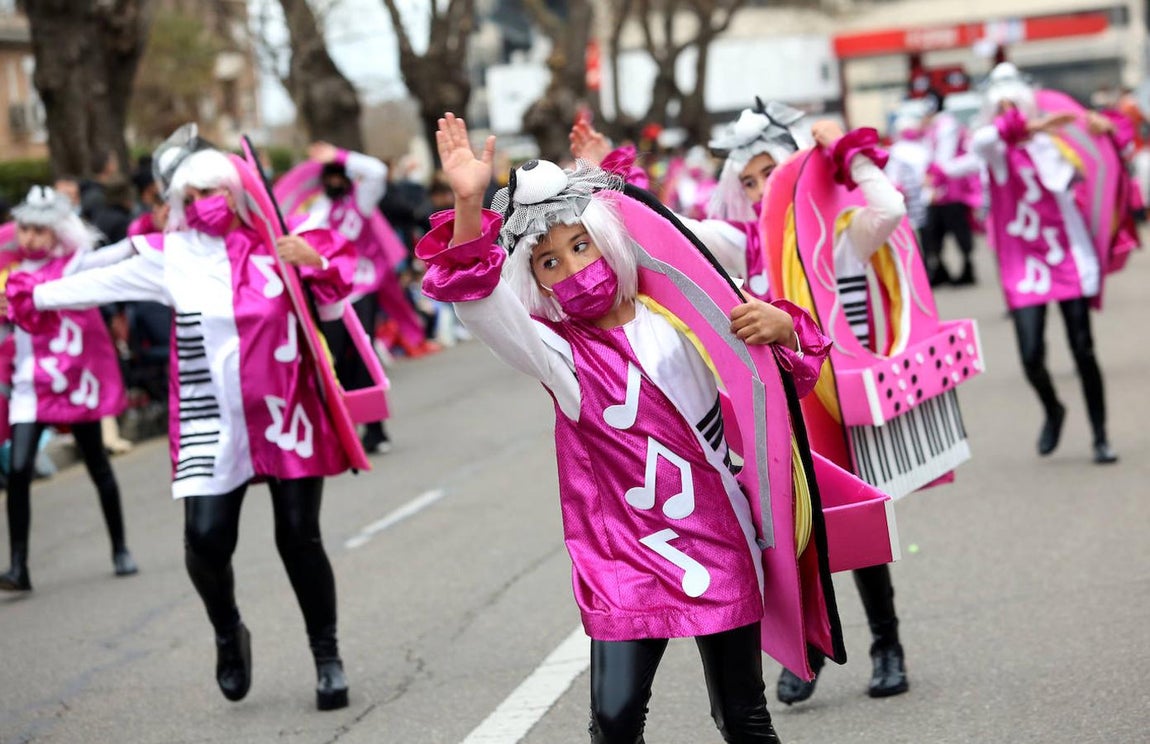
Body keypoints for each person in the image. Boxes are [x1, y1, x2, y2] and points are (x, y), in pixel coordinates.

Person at [419, 112, 835, 743]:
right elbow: (480, 305)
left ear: (607, 240)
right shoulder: (559, 355)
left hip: (720, 539)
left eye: (579, 245)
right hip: (624, 559)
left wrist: (783, 329)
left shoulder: (685, 308)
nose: (570, 267)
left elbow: (777, 384)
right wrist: (470, 203)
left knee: (742, 717)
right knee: (613, 724)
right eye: (548, 263)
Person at [6, 126, 357, 708]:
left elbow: (336, 313)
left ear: (236, 189)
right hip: (210, 423)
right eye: (187, 198)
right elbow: (89, 282)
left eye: (209, 192)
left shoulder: (281, 242)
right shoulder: (169, 257)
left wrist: (315, 262)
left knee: (299, 536)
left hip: (286, 412)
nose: (200, 207)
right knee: (205, 541)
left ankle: (327, 656)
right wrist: (31, 296)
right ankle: (227, 629)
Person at [969, 63, 1119, 464]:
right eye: (999, 105)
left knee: (1083, 349)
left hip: (1066, 254)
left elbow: (1097, 152)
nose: (1006, 110)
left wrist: (1099, 129)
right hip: (1024, 266)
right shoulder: (994, 147)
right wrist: (1026, 128)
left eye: (1012, 102)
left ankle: (1101, 437)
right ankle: (1053, 408)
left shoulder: (1056, 141)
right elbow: (980, 143)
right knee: (1031, 355)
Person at [0, 186, 138, 592]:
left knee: (97, 464)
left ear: (58, 233)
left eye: (40, 231)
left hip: (74, 383)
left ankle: (120, 547)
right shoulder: (9, 273)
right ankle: (19, 565)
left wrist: (149, 234)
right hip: (30, 384)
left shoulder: (74, 265)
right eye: (25, 229)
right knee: (20, 468)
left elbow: (114, 255)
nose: (30, 238)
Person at [303, 141, 394, 454]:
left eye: (338, 175)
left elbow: (378, 171)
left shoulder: (361, 199)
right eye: (328, 177)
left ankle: (375, 429)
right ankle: (345, 429)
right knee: (335, 361)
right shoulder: (318, 210)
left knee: (364, 357)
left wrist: (340, 155)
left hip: (363, 286)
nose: (334, 183)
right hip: (330, 294)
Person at [919, 88, 982, 286]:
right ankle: (942, 269)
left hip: (951, 190)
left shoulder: (946, 125)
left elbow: (943, 159)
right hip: (942, 189)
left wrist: (933, 181)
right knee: (935, 233)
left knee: (956, 231)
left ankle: (966, 269)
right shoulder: (938, 126)